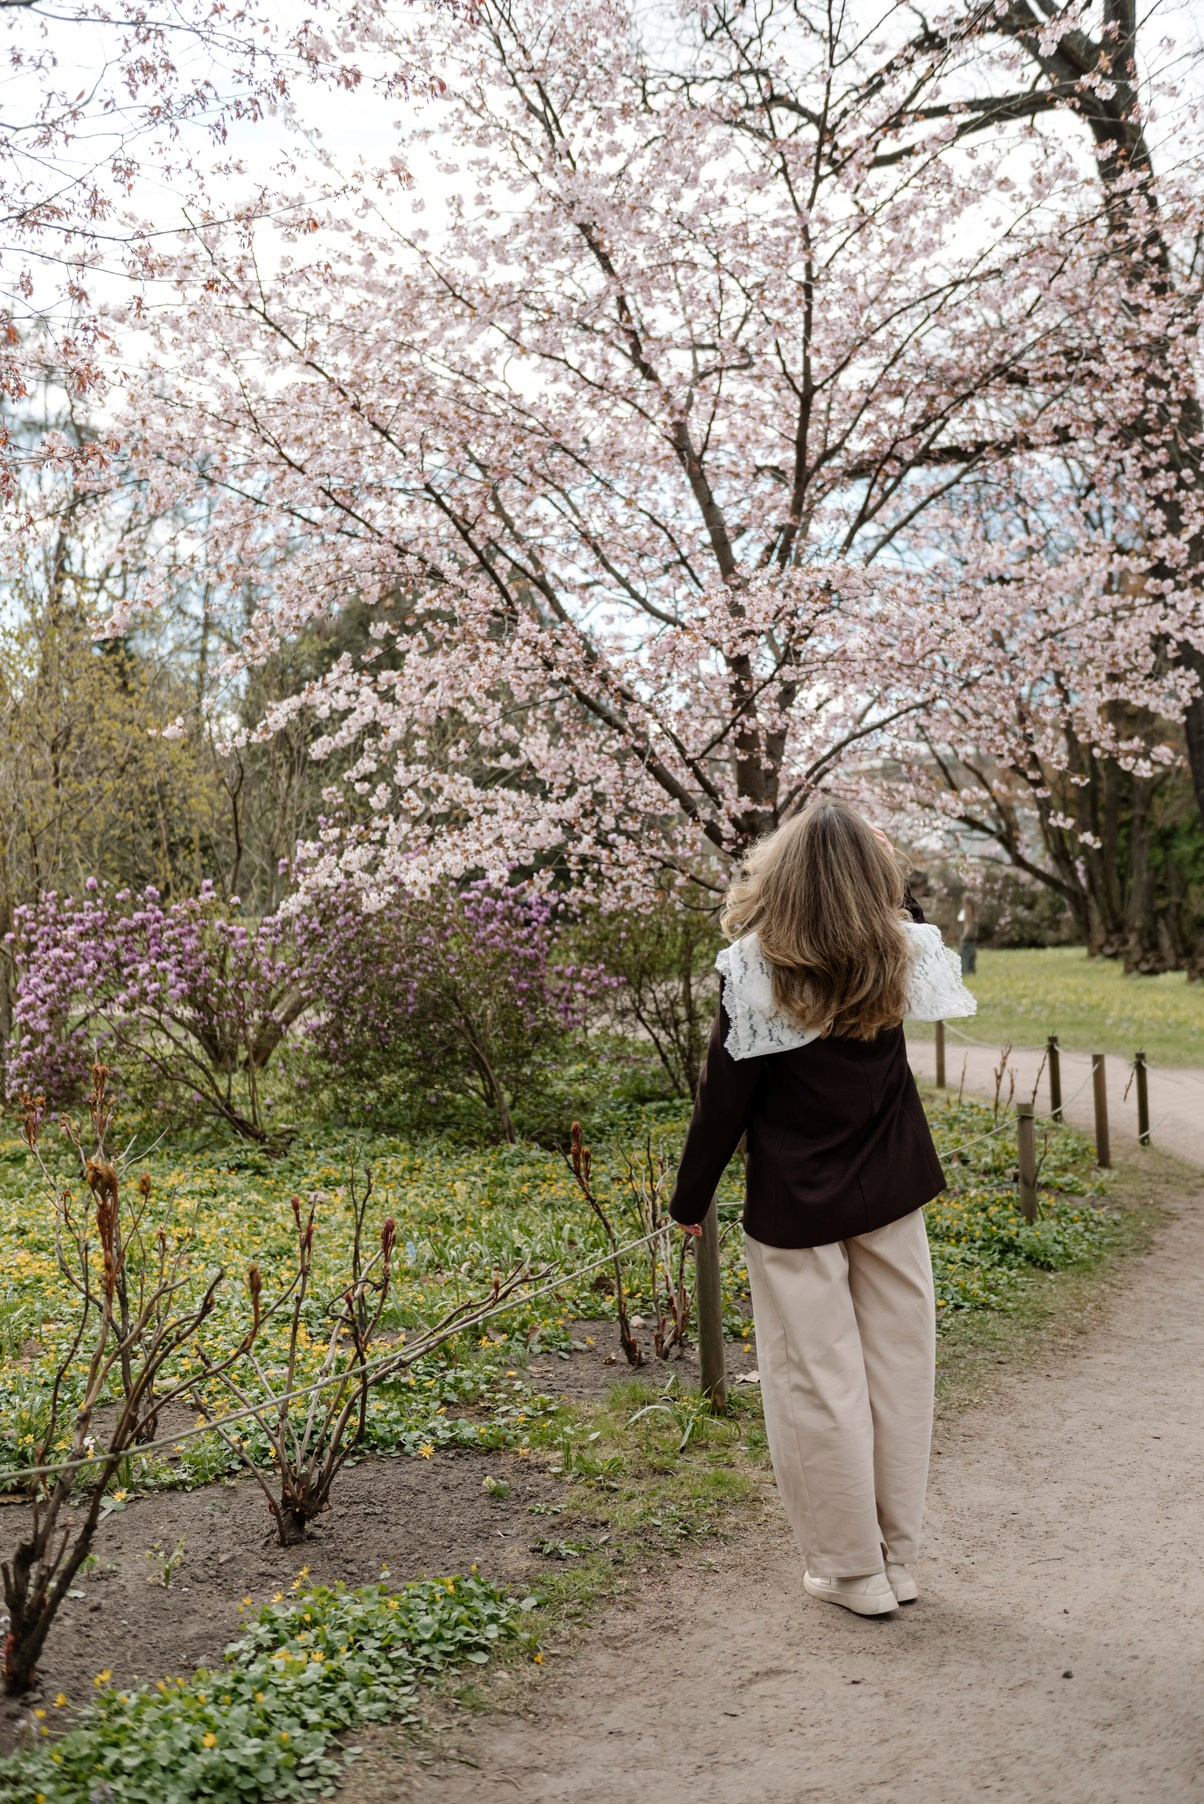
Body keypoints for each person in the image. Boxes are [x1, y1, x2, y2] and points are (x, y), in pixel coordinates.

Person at [669, 796, 976, 1617]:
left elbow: (720, 1101)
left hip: (797, 1204)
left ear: (783, 874)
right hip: (893, 1193)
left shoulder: (755, 969)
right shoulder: (901, 952)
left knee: (819, 1379)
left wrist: (688, 1199)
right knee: (898, 1371)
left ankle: (853, 1570)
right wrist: (878, 863)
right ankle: (895, 1560)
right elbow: (899, 913)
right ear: (876, 877)